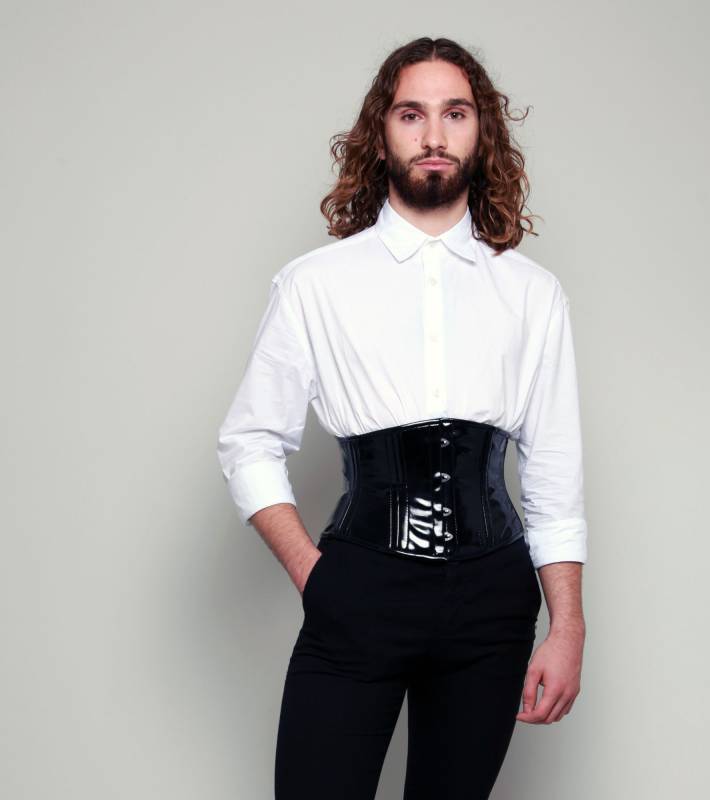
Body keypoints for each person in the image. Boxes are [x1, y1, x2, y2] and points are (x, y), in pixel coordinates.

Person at [216, 36, 588, 800]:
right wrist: (314, 575)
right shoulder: (316, 284)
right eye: (412, 114)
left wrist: (568, 626)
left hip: (491, 605)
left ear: (481, 132)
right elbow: (248, 442)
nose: (434, 134)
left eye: (455, 113)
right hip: (359, 589)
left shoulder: (532, 293)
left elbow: (553, 471)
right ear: (381, 134)